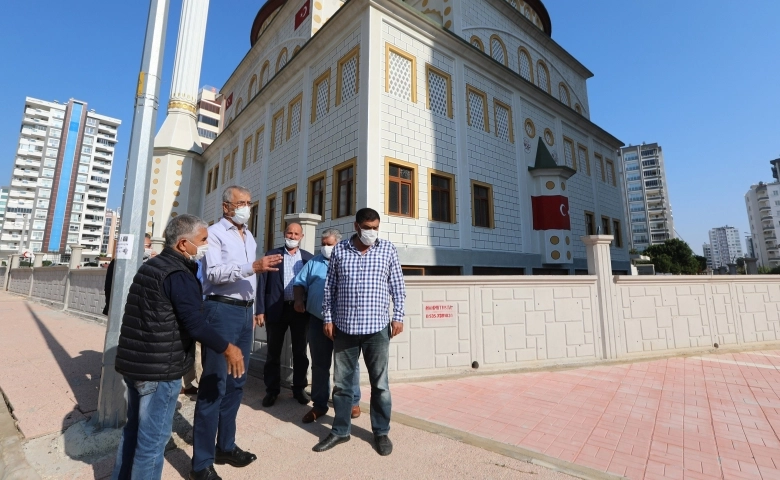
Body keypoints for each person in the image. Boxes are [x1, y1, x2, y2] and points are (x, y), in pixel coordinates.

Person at [111, 215, 245, 480]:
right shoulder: (178, 274)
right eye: (203, 240)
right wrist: (228, 348)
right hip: (160, 369)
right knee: (152, 442)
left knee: (134, 432)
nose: (207, 245)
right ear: (184, 244)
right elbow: (195, 325)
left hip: (137, 365)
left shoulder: (152, 266)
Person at [192, 186, 282, 480]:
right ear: (226, 206)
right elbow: (214, 274)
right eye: (241, 203)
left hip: (244, 313)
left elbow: (249, 279)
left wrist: (255, 307)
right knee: (215, 384)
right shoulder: (215, 233)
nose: (247, 207)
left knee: (236, 384)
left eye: (249, 203)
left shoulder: (249, 235)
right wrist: (253, 266)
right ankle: (201, 462)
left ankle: (225, 446)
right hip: (221, 311)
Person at [313, 208, 406, 456]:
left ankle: (381, 432)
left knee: (380, 385)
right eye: (367, 227)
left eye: (375, 227)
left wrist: (398, 317)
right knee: (342, 385)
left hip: (377, 329)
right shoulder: (341, 250)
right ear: (356, 226)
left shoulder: (387, 249)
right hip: (344, 328)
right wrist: (328, 319)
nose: (372, 232)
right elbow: (330, 288)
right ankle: (340, 430)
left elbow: (398, 286)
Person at [293, 229, 361, 423]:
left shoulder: (350, 261)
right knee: (320, 365)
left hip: (345, 322)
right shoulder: (314, 262)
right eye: (323, 243)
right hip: (317, 320)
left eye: (329, 244)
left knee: (349, 365)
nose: (325, 247)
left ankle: (353, 402)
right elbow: (299, 283)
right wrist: (299, 299)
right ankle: (320, 405)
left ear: (339, 244)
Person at [257, 222, 313, 407]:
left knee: (300, 352)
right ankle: (272, 390)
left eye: (297, 234)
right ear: (284, 234)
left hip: (299, 311)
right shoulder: (272, 255)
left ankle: (299, 388)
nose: (293, 236)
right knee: (273, 352)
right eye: (290, 232)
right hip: (275, 308)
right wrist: (260, 310)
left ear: (301, 237)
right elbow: (262, 284)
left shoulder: (308, 259)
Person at [103, 233, 156, 315]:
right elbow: (110, 288)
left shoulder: (151, 263)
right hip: (123, 311)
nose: (151, 249)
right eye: (148, 246)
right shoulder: (119, 263)